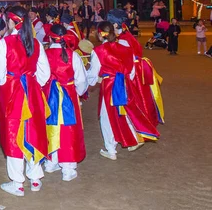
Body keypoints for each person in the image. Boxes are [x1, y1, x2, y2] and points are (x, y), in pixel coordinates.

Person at [0, 6, 50, 196]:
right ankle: (35, 178)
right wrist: (32, 82)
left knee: (13, 135)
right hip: (32, 91)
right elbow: (45, 73)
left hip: (12, 92)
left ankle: (17, 182)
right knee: (33, 130)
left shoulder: (3, 43)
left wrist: (7, 81)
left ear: (10, 21)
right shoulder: (36, 43)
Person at [87, 21, 159, 159]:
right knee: (126, 111)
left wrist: (95, 80)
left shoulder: (98, 51)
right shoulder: (126, 47)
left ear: (100, 34)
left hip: (110, 86)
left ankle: (111, 148)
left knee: (106, 116)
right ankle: (134, 135)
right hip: (125, 84)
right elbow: (132, 71)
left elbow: (92, 74)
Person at [43, 24, 87, 182]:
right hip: (68, 95)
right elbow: (81, 80)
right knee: (68, 129)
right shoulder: (73, 55)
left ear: (50, 37)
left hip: (49, 95)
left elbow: (40, 77)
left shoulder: (45, 54)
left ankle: (51, 162)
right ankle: (68, 168)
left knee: (50, 126)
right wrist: (79, 93)